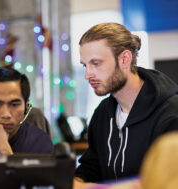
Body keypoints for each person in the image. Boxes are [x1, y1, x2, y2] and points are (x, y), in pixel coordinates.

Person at [73, 22, 178, 188]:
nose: (87, 74)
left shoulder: (171, 113)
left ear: (124, 59)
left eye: (96, 63)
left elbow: (167, 181)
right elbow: (90, 169)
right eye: (85, 65)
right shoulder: (102, 114)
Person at [0, 67, 53, 154]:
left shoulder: (39, 141)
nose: (6, 114)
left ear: (26, 105)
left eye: (14, 105)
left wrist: (4, 150)